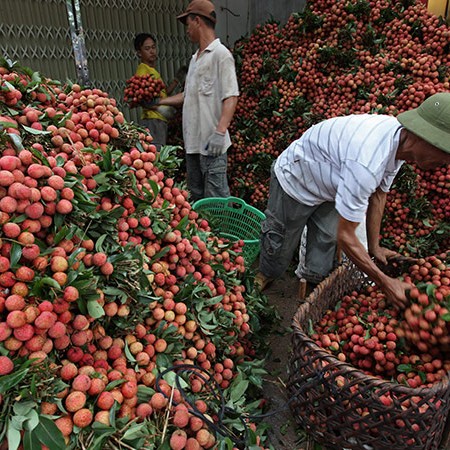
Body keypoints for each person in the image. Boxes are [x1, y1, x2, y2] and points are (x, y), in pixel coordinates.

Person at [255, 92, 450, 309]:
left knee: (326, 239)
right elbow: (347, 237)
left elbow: (379, 194)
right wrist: (385, 282)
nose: (445, 161)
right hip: (297, 179)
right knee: (281, 240)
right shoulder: (367, 162)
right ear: (422, 138)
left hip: (333, 182)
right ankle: (267, 273)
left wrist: (374, 248)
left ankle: (313, 285)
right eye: (444, 152)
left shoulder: (400, 144)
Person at [157, 0, 239, 202]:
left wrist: (220, 132)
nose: (187, 30)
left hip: (212, 145)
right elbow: (187, 96)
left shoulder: (221, 56)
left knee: (216, 202)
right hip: (192, 146)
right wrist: (159, 102)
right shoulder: (195, 59)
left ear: (197, 21)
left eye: (188, 24)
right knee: (198, 201)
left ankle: (222, 235)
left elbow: (231, 95)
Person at [133, 33, 179, 148]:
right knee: (156, 153)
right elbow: (142, 99)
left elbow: (162, 94)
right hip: (153, 121)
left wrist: (176, 81)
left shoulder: (152, 71)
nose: (152, 51)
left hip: (158, 121)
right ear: (139, 53)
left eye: (153, 47)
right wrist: (161, 108)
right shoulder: (143, 71)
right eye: (147, 49)